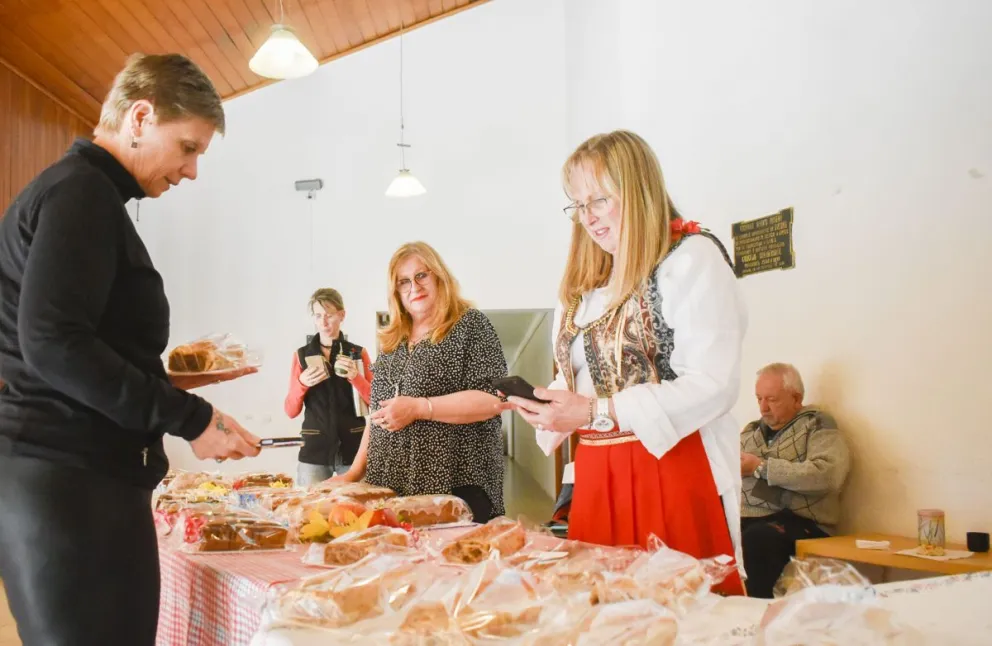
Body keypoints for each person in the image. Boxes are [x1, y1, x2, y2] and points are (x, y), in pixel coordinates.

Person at [0, 54, 261, 646]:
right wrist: (191, 418)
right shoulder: (81, 194)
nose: (192, 171)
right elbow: (52, 345)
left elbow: (74, 344)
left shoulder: (83, 194)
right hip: (68, 485)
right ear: (140, 117)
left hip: (80, 480)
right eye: (188, 148)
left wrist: (166, 385)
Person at [503, 130, 747, 595]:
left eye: (598, 200)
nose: (587, 218)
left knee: (675, 614)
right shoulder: (585, 287)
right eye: (577, 204)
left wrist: (597, 412)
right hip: (595, 471)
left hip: (669, 464)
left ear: (636, 191)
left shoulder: (689, 259)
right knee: (603, 613)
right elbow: (578, 378)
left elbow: (714, 383)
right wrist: (547, 406)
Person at [331, 242, 508, 523]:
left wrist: (419, 407)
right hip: (390, 488)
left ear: (439, 276)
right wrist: (353, 474)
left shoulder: (471, 326)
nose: (414, 287)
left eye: (421, 276)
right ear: (396, 292)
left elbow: (494, 401)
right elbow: (377, 416)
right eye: (403, 282)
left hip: (454, 489)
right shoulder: (392, 342)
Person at [740, 363, 851, 598]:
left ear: (796, 398)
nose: (763, 408)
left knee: (759, 538)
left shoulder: (817, 424)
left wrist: (761, 467)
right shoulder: (750, 432)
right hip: (748, 518)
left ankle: (761, 615)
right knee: (707, 530)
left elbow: (829, 475)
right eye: (759, 398)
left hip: (803, 522)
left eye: (772, 399)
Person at [284, 288, 373, 486]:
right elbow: (290, 411)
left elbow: (377, 401)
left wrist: (355, 377)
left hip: (354, 449)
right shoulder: (301, 355)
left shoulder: (358, 353)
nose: (323, 322)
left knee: (356, 508)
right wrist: (302, 384)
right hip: (315, 450)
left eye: (329, 315)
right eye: (318, 316)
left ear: (342, 315)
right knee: (308, 510)